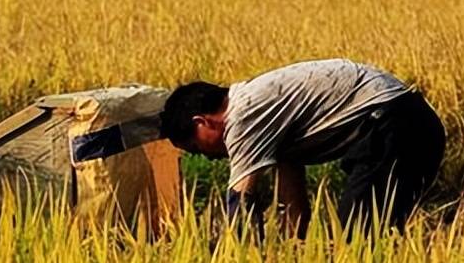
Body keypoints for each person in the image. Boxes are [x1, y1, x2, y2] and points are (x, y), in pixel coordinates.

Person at [158, 59, 446, 237]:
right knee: (371, 234)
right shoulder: (264, 114)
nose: (206, 158)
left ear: (202, 122)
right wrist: (293, 247)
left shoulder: (243, 116)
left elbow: (240, 203)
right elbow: (294, 205)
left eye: (196, 148)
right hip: (406, 124)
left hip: (395, 126)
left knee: (356, 238)